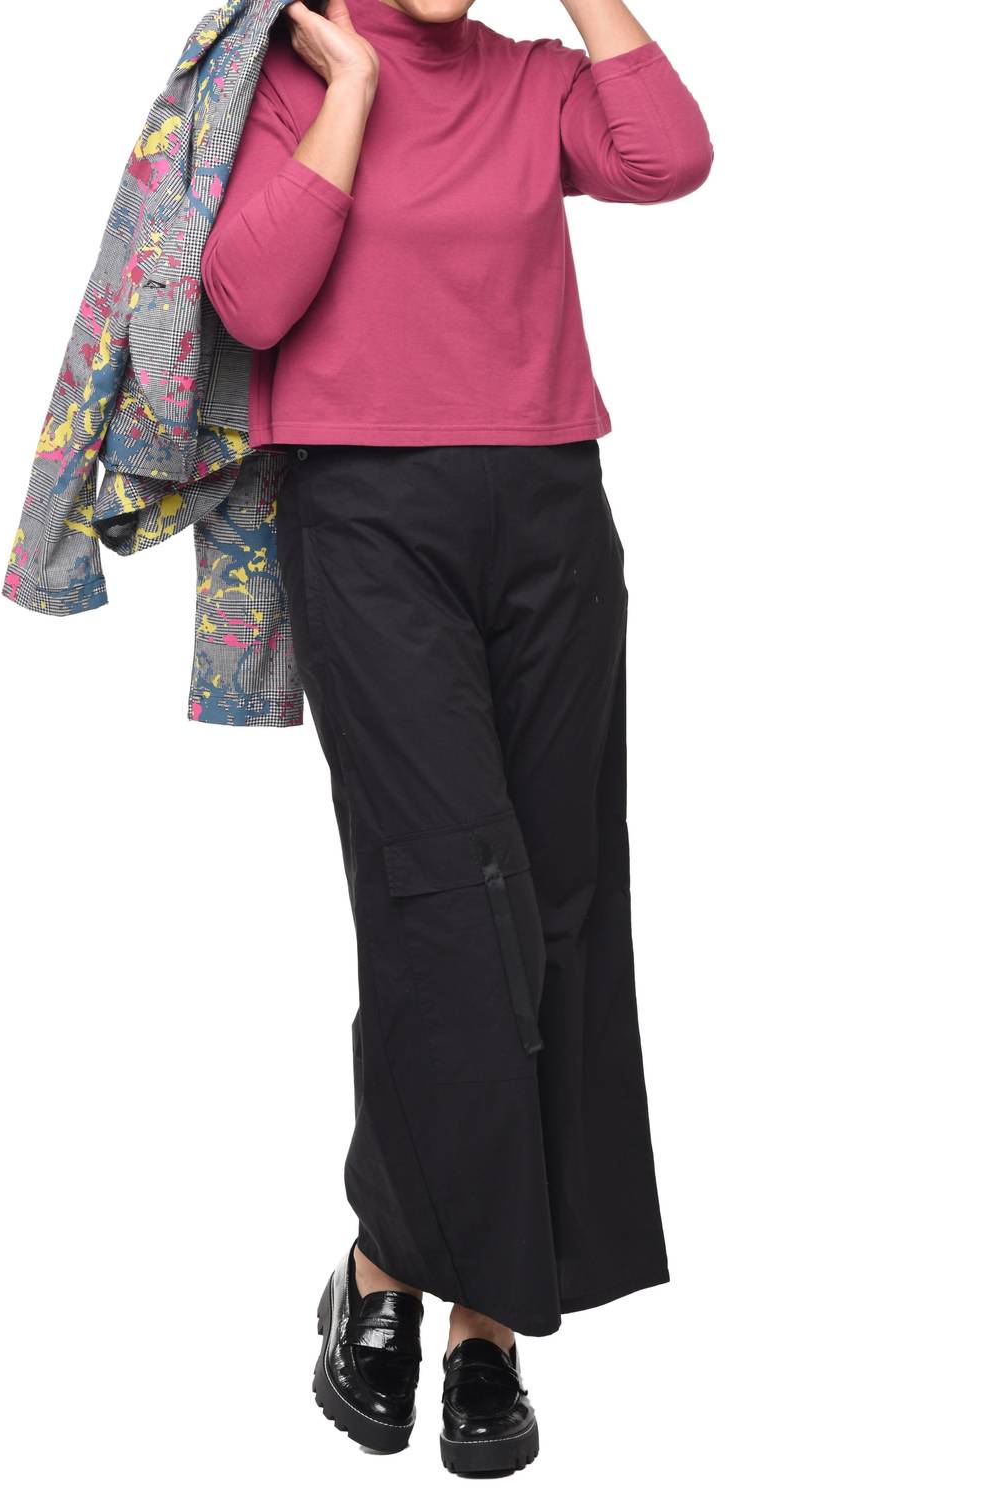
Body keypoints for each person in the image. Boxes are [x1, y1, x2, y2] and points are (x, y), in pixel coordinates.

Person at [201, 0, 711, 1476]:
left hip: (551, 515)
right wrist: (353, 86)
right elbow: (250, 301)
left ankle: (488, 1314)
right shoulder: (288, 78)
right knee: (443, 896)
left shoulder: (534, 82)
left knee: (557, 901)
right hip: (369, 520)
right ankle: (385, 1265)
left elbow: (668, 158)